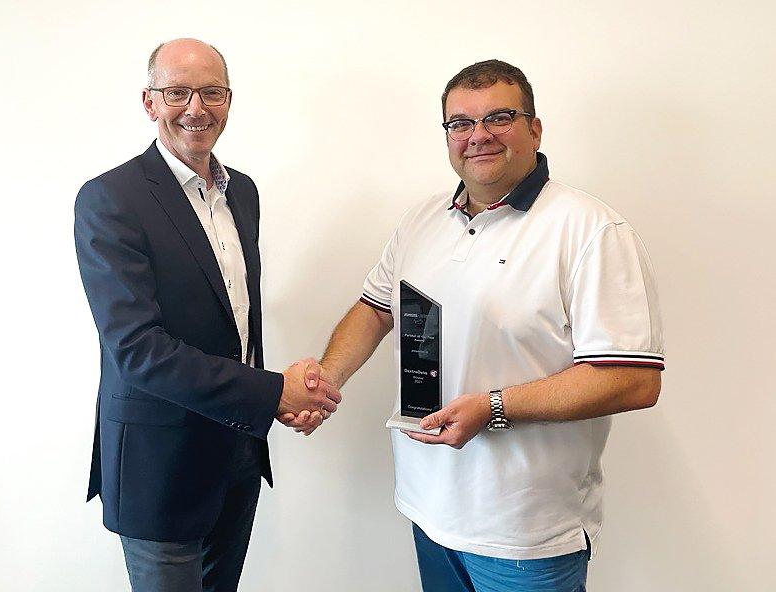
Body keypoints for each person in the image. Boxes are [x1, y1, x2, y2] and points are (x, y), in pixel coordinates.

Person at [281, 59, 664, 591]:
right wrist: (325, 380)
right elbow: (376, 309)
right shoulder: (422, 221)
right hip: (427, 508)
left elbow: (633, 379)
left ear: (535, 129)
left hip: (524, 534)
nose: (478, 135)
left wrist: (493, 407)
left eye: (499, 118)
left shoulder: (590, 230)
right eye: (460, 123)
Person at [74, 38, 339, 591]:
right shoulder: (110, 198)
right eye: (177, 92)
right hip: (158, 467)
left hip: (238, 453)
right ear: (149, 101)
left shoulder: (243, 192)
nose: (196, 108)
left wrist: (278, 400)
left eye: (212, 92)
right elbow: (138, 350)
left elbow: (236, 320)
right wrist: (274, 392)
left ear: (229, 100)